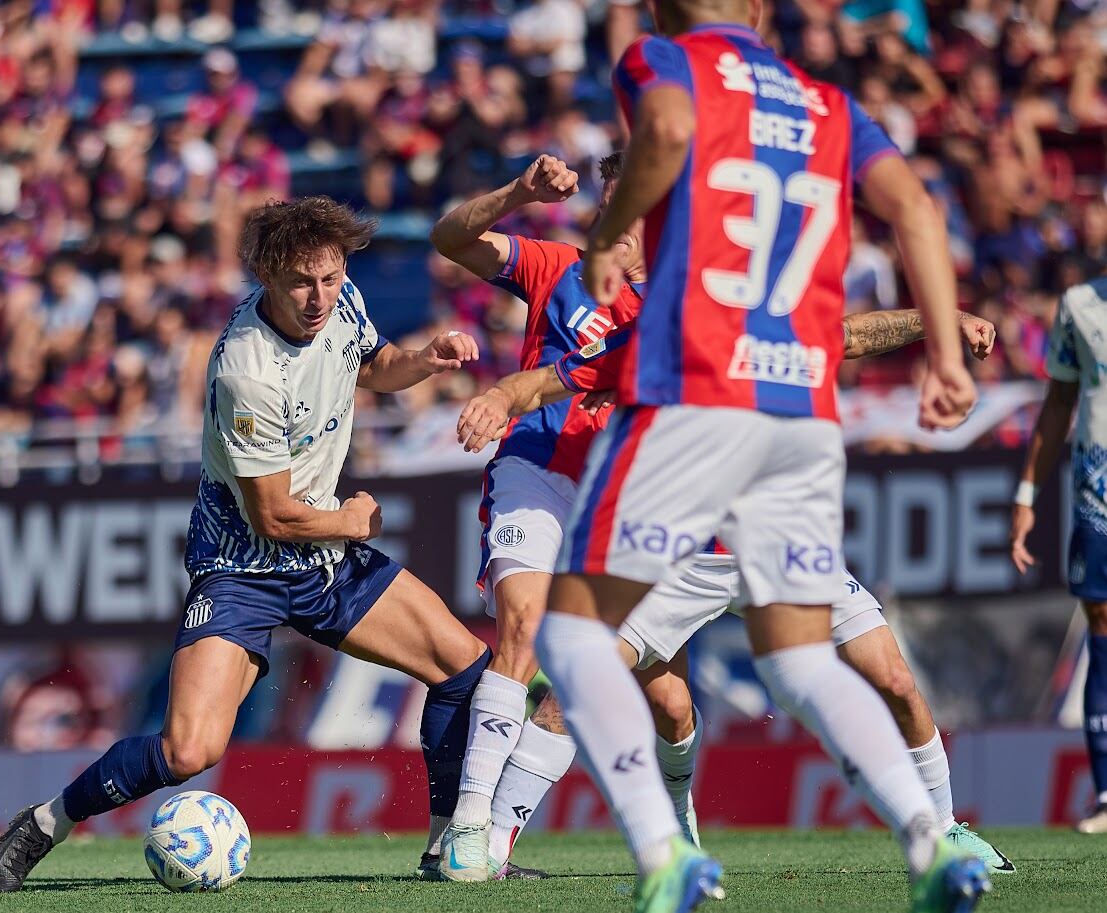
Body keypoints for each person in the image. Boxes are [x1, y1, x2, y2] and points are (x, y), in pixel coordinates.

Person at [535, 2, 987, 911]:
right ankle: (932, 841)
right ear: (756, 11)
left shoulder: (663, 60)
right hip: (802, 412)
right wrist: (940, 351)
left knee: (572, 634)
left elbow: (663, 127)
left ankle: (666, 856)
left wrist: (606, 233)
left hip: (699, 392)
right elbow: (914, 209)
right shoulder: (826, 102)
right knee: (803, 660)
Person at [0, 196, 491, 892]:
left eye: (331, 277)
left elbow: (370, 365)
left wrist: (424, 359)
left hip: (323, 561)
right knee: (189, 748)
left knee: (461, 665)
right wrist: (354, 520)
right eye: (302, 282)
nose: (319, 297)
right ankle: (43, 823)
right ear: (267, 276)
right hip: (243, 567)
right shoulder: (245, 369)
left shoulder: (342, 302)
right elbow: (274, 516)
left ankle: (441, 849)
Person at [454, 307, 1014, 876]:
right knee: (581, 686)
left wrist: (943, 318)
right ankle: (492, 845)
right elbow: (549, 380)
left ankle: (946, 832)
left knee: (894, 680)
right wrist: (500, 398)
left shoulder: (769, 336)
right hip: (686, 558)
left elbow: (854, 334)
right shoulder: (654, 342)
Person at [428, 150, 644, 881]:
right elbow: (450, 238)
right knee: (518, 626)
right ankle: (465, 826)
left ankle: (497, 841)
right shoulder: (557, 266)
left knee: (630, 686)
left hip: (623, 497)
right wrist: (519, 190)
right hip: (536, 468)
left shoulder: (684, 306)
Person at [1010, 275, 1107, 835]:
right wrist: (1027, 495)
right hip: (1099, 494)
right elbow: (1058, 403)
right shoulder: (1079, 305)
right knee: (1101, 621)